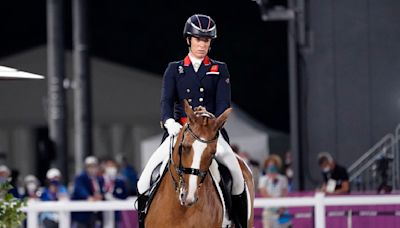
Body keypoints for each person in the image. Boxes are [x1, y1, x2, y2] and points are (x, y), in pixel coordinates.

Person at [137, 14, 247, 228]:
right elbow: (166, 101)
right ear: (189, 40)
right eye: (198, 39)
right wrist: (169, 122)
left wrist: (210, 121)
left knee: (237, 174)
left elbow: (224, 104)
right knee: (144, 179)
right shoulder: (174, 69)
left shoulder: (219, 68)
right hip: (180, 131)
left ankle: (237, 222)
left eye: (206, 40)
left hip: (209, 134)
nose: (202, 44)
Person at [71, 156, 104, 228]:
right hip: (82, 213)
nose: (92, 168)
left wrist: (101, 196)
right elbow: (80, 189)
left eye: (94, 166)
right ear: (86, 167)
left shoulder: (100, 179)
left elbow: (102, 190)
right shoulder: (81, 177)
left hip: (95, 213)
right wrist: (88, 197)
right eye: (90, 166)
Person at [258, 155, 290, 228]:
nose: (271, 167)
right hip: (268, 210)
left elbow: (284, 193)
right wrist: (274, 204)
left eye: (273, 165)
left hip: (281, 210)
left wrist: (281, 207)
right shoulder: (263, 179)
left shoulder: (283, 178)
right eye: (269, 165)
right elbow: (263, 192)